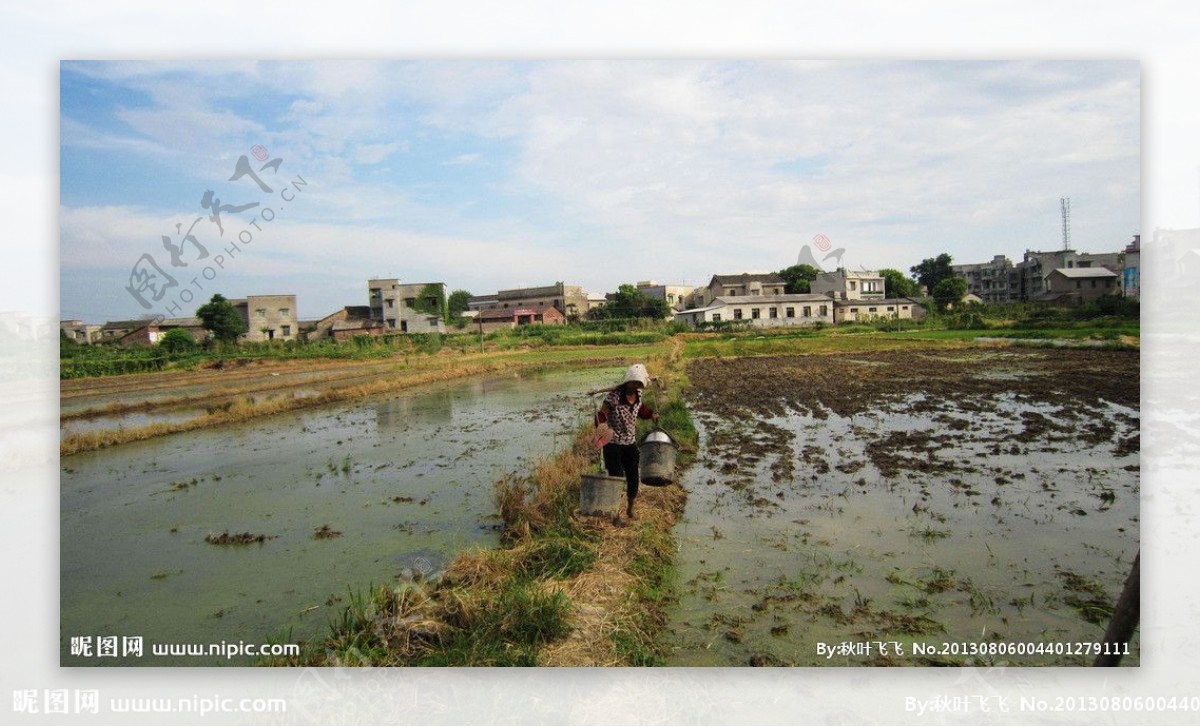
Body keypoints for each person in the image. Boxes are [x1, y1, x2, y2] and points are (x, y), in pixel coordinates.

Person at [595, 363, 658, 521]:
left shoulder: (638, 395)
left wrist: (651, 414)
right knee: (616, 478)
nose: (636, 386)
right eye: (634, 383)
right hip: (613, 444)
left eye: (639, 384)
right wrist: (601, 424)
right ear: (627, 381)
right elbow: (602, 413)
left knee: (633, 478)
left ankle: (630, 509)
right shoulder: (613, 397)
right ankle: (614, 514)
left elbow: (641, 410)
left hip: (630, 443)